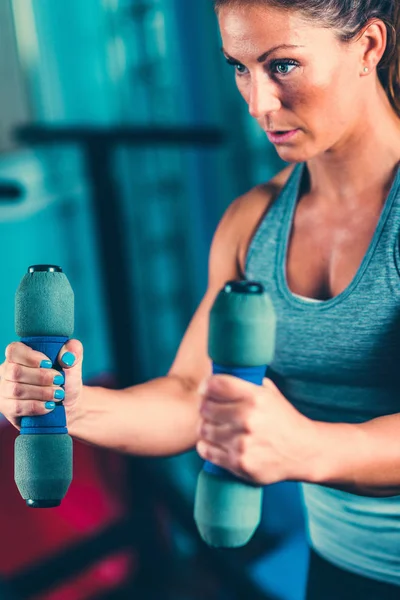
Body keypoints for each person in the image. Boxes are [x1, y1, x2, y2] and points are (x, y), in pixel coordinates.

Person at [1, 0, 400, 597]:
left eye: (282, 65)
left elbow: (299, 445)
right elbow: (194, 395)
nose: (258, 104)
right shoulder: (253, 223)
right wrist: (74, 406)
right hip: (342, 567)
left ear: (368, 46)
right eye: (239, 68)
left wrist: (308, 448)